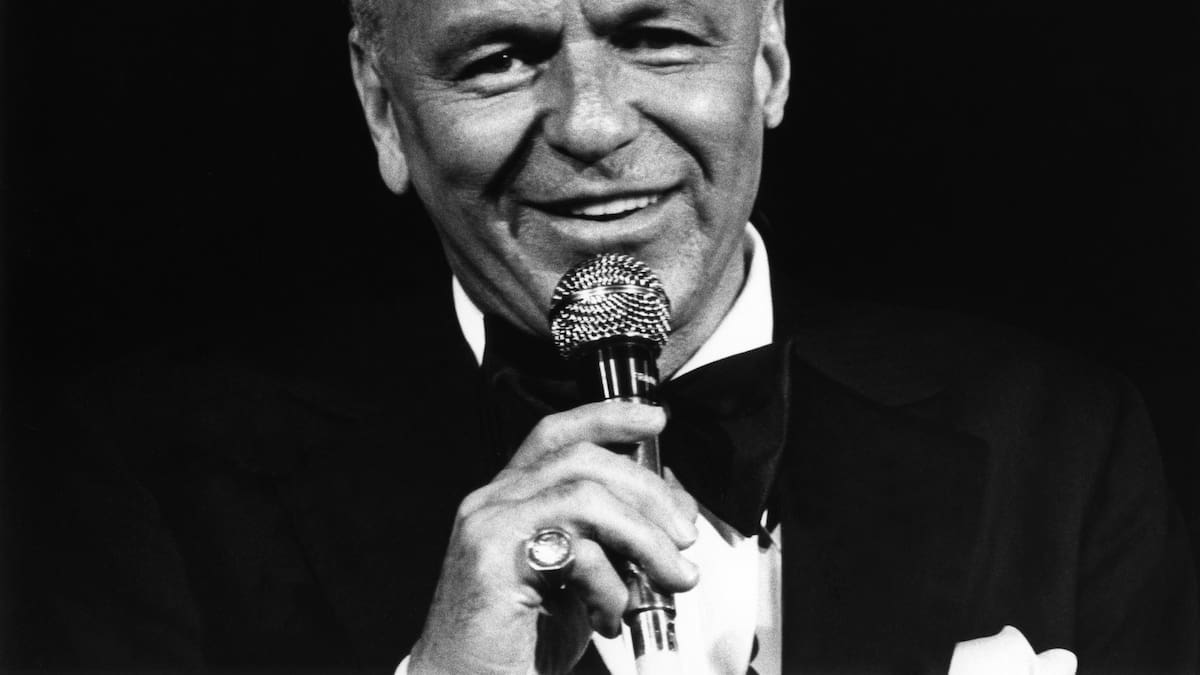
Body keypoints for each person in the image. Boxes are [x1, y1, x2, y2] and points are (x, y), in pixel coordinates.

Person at [7, 0, 1196, 673]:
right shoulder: (139, 484)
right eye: (498, 58)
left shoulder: (1061, 436)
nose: (590, 124)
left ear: (769, 60)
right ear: (383, 108)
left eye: (660, 37)